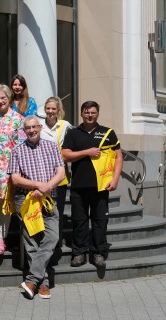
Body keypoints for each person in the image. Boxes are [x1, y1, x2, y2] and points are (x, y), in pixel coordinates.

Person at [7, 115, 65, 299]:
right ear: (24, 131)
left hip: (48, 198)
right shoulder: (17, 150)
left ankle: (32, 279)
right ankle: (43, 284)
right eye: (27, 128)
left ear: (40, 127)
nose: (31, 131)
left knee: (52, 237)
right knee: (31, 241)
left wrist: (46, 186)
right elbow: (15, 179)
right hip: (27, 200)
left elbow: (61, 173)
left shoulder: (52, 146)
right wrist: (37, 185)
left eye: (34, 127)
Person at [62, 101, 123, 268]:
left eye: (93, 112)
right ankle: (79, 253)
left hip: (101, 186)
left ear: (98, 114)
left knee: (99, 221)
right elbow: (65, 155)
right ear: (81, 113)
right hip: (79, 186)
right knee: (79, 221)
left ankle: (98, 253)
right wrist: (86, 152)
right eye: (87, 112)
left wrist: (115, 179)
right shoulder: (73, 133)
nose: (90, 115)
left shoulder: (108, 133)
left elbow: (118, 157)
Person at [0, 84, 26, 255]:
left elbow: (22, 146)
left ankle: (1, 238)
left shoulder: (19, 119)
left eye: (3, 98)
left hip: (9, 168)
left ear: (9, 99)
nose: (0, 101)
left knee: (5, 206)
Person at [39, 96, 73, 255]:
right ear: (45, 109)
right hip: (40, 176)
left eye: (54, 109)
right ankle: (43, 241)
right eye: (48, 108)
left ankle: (56, 243)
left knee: (56, 211)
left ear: (58, 110)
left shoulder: (65, 125)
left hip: (59, 176)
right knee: (41, 211)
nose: (51, 111)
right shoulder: (39, 125)